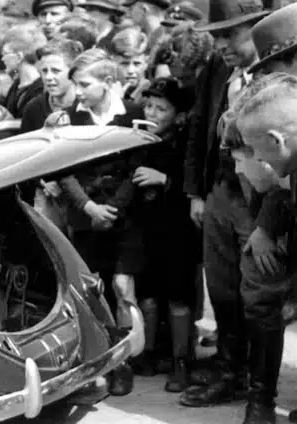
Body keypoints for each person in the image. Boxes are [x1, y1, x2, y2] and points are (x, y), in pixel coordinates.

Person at [180, 0, 272, 408]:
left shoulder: (278, 72)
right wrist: (195, 193)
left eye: (231, 34)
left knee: (260, 293)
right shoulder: (217, 70)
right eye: (216, 36)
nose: (221, 45)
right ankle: (229, 369)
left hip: (262, 200)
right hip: (218, 192)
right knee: (221, 289)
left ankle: (259, 387)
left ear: (257, 27)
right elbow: (200, 127)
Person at [53, 48, 144, 396]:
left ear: (108, 83)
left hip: (124, 218)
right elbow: (64, 169)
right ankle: (95, 361)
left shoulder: (132, 114)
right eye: (75, 84)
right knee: (92, 289)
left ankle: (124, 362)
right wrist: (89, 207)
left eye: (85, 85)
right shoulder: (70, 119)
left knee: (123, 286)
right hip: (85, 216)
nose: (77, 92)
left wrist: (114, 209)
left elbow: (136, 166)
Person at [241, 3, 297, 421]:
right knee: (259, 283)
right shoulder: (289, 106)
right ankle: (259, 399)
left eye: (279, 68)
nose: (270, 81)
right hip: (286, 208)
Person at [133, 77, 199, 393]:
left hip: (178, 231)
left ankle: (181, 359)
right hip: (145, 229)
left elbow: (194, 183)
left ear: (178, 113)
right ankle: (148, 351)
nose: (153, 113)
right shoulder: (135, 138)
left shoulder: (184, 141)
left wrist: (164, 179)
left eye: (162, 108)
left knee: (178, 296)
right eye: (149, 106)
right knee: (147, 293)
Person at [20, 39, 83, 133]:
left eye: (55, 71)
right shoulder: (34, 108)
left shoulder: (85, 106)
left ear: (74, 72)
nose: (48, 77)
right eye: (44, 71)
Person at [1, 22, 46, 118]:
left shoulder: (39, 89)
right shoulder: (17, 84)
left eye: (5, 53)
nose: (2, 58)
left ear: (19, 57)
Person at [111, 26, 151, 104]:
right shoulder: (106, 90)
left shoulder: (151, 98)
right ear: (113, 63)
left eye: (137, 64)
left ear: (146, 63)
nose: (131, 71)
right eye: (124, 64)